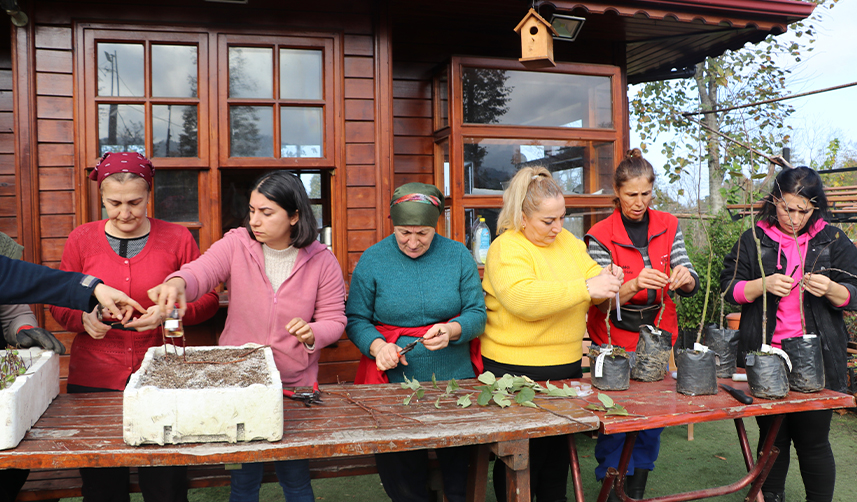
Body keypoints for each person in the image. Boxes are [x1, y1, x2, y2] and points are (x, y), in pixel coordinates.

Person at [148, 170, 347, 502]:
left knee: (295, 478)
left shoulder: (322, 260)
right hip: (237, 381)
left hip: (294, 386)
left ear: (294, 215)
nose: (255, 220)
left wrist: (312, 333)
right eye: (252, 210)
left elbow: (335, 319)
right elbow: (203, 270)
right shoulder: (237, 243)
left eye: (266, 213)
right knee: (243, 481)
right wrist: (179, 282)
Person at [49, 152, 220, 502]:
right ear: (100, 198)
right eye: (114, 203)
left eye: (134, 202)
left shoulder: (177, 238)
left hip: (163, 375)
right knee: (101, 487)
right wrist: (83, 320)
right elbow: (58, 302)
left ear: (149, 196)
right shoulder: (81, 239)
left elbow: (208, 300)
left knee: (166, 486)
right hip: (94, 378)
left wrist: (168, 314)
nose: (124, 213)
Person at [480, 167, 622, 502]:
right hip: (514, 373)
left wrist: (608, 277)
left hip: (565, 371)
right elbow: (523, 299)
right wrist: (588, 286)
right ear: (522, 216)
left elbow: (594, 285)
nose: (558, 227)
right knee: (519, 462)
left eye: (562, 217)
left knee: (556, 463)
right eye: (548, 221)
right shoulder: (505, 248)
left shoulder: (569, 243)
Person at [721, 166, 857, 502]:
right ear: (773, 201)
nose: (793, 218)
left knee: (813, 439)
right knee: (773, 437)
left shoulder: (833, 239)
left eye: (802, 210)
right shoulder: (755, 238)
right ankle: (771, 496)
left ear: (815, 207)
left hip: (819, 357)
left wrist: (833, 290)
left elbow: (855, 292)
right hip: (768, 356)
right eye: (786, 208)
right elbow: (728, 289)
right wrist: (760, 285)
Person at [346, 182, 486, 502]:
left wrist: (452, 330)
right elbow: (356, 319)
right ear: (393, 226)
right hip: (394, 385)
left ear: (436, 225)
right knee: (405, 481)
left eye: (422, 233)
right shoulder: (373, 259)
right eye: (404, 233)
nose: (412, 242)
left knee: (459, 479)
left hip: (455, 383)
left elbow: (477, 313)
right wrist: (379, 347)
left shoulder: (457, 256)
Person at [585, 148, 699, 501]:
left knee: (653, 417)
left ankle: (635, 490)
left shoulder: (669, 224)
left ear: (653, 190)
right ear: (617, 193)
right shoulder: (600, 234)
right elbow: (597, 296)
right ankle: (613, 487)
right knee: (616, 419)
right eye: (631, 195)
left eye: (645, 194)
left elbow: (690, 275)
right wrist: (633, 285)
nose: (638, 202)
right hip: (614, 332)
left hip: (658, 331)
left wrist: (685, 277)